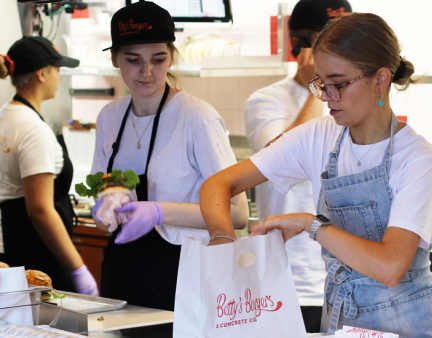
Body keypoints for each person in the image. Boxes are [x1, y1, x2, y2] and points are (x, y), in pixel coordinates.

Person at [201, 13, 432, 337]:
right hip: (341, 321)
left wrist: (313, 225)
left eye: (338, 83)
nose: (327, 96)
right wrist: (223, 244)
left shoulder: (417, 157)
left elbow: (390, 267)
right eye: (320, 83)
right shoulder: (317, 136)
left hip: (410, 326)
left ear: (380, 79)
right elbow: (219, 183)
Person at [90, 0, 248, 311]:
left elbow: (237, 213)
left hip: (182, 284)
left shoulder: (196, 117)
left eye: (158, 59)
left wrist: (159, 212)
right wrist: (105, 210)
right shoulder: (109, 117)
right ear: (114, 59)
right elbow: (102, 204)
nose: (147, 72)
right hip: (120, 281)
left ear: (172, 57)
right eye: (133, 60)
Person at [243, 0, 351, 332]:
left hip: (348, 280)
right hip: (290, 280)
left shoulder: (354, 102)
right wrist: (316, 90)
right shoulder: (266, 100)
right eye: (331, 42)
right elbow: (286, 162)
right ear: (301, 46)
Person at [0, 37, 98, 295]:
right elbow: (40, 210)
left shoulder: (6, 115)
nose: (59, 76)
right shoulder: (33, 130)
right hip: (36, 258)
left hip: (12, 250)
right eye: (57, 69)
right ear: (41, 74)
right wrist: (78, 270)